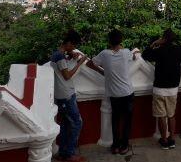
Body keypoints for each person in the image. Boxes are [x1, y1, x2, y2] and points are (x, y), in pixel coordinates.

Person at [86, 29, 135, 155]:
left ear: (109, 41)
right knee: (127, 121)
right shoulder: (126, 52)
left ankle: (115, 146)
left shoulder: (104, 54)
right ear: (121, 40)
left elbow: (89, 64)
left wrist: (102, 71)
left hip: (114, 95)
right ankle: (124, 146)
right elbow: (134, 56)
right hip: (127, 93)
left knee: (115, 120)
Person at [142, 29, 181, 150]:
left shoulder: (159, 50)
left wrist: (154, 43)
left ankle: (164, 140)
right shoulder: (178, 50)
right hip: (173, 88)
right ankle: (172, 139)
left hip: (159, 88)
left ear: (163, 39)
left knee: (161, 116)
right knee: (171, 115)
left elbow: (144, 55)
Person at [50, 30, 87, 162]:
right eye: (74, 45)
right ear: (69, 43)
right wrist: (80, 62)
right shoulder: (59, 56)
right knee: (77, 123)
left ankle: (63, 153)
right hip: (66, 96)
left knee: (66, 124)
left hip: (61, 95)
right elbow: (67, 76)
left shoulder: (58, 54)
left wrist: (70, 56)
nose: (74, 48)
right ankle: (70, 154)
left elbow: (61, 68)